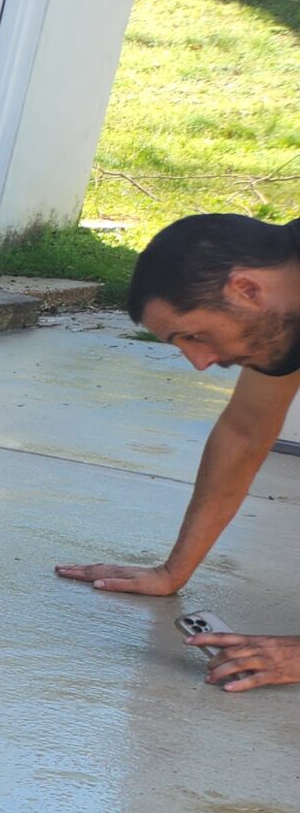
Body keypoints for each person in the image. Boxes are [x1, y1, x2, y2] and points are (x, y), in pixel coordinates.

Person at [55, 212, 300, 691]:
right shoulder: (280, 308)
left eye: (196, 335)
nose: (201, 362)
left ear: (247, 290)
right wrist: (172, 572)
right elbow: (245, 432)